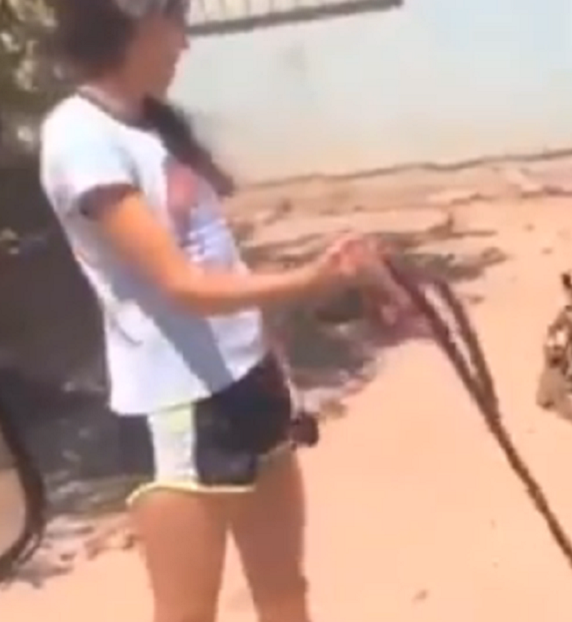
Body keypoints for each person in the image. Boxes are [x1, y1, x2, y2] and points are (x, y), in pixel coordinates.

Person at [38, 1, 403, 620]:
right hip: (180, 408)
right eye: (175, 20)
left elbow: (219, 271)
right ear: (133, 19)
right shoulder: (79, 137)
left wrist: (333, 291)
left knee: (285, 592)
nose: (185, 43)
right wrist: (310, 278)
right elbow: (179, 285)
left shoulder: (154, 125)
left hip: (252, 385)